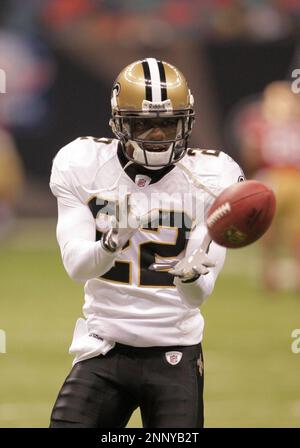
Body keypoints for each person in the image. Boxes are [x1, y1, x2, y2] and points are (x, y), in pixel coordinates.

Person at [49, 58, 244, 428]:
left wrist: (189, 277)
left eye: (168, 123)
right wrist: (110, 242)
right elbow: (76, 268)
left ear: (187, 122)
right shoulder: (82, 164)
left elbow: (198, 296)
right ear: (119, 122)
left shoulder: (214, 178)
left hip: (175, 348)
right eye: (144, 123)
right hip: (103, 344)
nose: (158, 134)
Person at [235, 81, 300, 291]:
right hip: (293, 179)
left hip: (273, 177)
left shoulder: (259, 124)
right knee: (293, 232)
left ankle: (269, 273)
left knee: (272, 230)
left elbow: (252, 154)